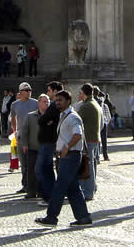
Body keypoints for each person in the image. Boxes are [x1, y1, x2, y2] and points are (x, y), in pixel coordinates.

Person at [35, 90, 92, 226]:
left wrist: (66, 147)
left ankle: (51, 217)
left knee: (59, 187)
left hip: (70, 155)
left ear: (68, 101)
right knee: (72, 188)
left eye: (60, 100)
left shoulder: (72, 117)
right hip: (67, 155)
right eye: (56, 100)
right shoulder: (63, 116)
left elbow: (78, 134)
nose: (57, 102)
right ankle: (83, 217)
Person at [10, 82, 40, 196]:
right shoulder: (15, 104)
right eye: (27, 90)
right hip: (21, 136)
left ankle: (34, 186)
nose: (29, 92)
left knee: (33, 162)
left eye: (30, 90)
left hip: (33, 136)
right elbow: (13, 118)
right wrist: (15, 130)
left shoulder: (36, 103)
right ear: (21, 91)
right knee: (23, 162)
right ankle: (25, 185)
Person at [35, 81, 62, 202]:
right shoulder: (55, 106)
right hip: (47, 140)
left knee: (43, 168)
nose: (48, 93)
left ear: (55, 92)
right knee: (46, 168)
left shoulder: (54, 106)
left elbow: (42, 121)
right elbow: (44, 120)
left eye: (49, 91)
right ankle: (51, 194)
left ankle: (49, 196)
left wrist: (46, 121)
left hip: (48, 141)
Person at [76, 84, 102, 202]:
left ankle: (88, 192)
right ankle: (91, 188)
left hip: (88, 140)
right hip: (94, 138)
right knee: (91, 165)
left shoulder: (86, 106)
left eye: (80, 93)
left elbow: (75, 120)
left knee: (87, 166)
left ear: (84, 93)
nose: (79, 95)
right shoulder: (94, 103)